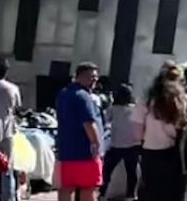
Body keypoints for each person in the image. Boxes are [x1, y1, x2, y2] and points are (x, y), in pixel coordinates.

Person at [137, 63, 187, 201]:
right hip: (177, 155)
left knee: (151, 192)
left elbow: (137, 131)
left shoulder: (147, 101)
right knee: (174, 193)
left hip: (150, 152)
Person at [56, 63, 103, 201]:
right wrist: (96, 144)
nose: (95, 80)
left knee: (66, 188)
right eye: (91, 77)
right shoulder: (83, 96)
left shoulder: (63, 94)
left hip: (66, 151)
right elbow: (88, 123)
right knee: (88, 190)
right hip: (85, 153)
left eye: (96, 77)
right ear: (81, 77)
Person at [0, 61, 21, 201]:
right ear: (6, 72)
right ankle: (8, 197)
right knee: (7, 167)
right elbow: (17, 107)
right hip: (7, 131)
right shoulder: (13, 88)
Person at [101, 85, 141, 201]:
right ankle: (131, 195)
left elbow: (105, 119)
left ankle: (103, 193)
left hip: (116, 144)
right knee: (132, 172)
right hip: (132, 145)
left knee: (107, 171)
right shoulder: (135, 108)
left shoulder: (113, 109)